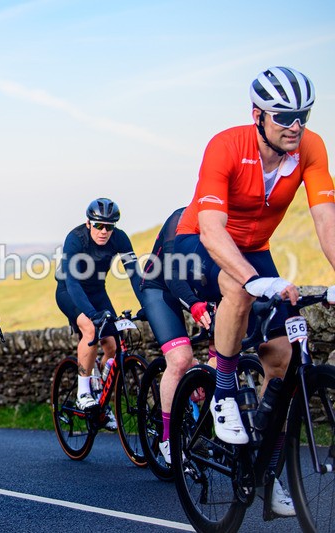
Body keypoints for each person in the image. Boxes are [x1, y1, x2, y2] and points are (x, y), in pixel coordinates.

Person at [175, 66, 335, 516]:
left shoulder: (311, 148)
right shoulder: (226, 145)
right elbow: (210, 227)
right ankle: (223, 389)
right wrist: (249, 277)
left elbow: (326, 219)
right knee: (241, 291)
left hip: (255, 247)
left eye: (302, 114)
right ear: (257, 115)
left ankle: (266, 470)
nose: (296, 125)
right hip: (199, 244)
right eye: (284, 116)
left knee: (283, 357)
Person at [55, 198, 143, 429]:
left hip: (97, 291)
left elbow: (135, 274)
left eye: (109, 226)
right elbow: (72, 282)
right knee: (91, 329)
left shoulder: (120, 239)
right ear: (88, 223)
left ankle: (100, 395)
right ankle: (83, 392)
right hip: (69, 291)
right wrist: (92, 314)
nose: (104, 231)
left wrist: (148, 305)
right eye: (98, 225)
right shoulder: (75, 240)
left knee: (113, 344)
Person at [138, 207, 213, 464]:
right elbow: (172, 276)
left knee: (225, 347)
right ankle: (167, 439)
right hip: (160, 288)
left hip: (195, 285)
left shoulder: (227, 220)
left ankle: (204, 417)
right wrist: (194, 304)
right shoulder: (180, 220)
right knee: (180, 359)